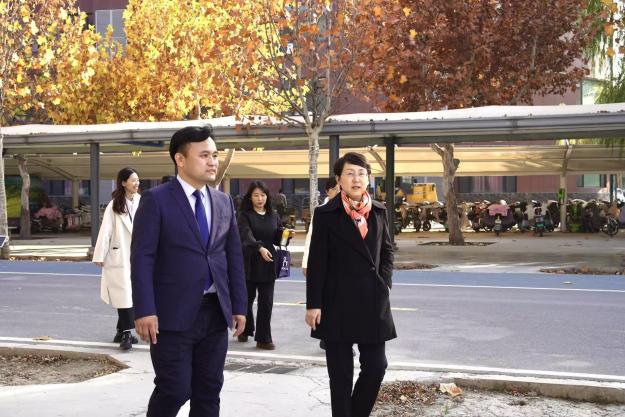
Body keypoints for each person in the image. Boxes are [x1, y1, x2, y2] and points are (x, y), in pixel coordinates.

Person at [131, 126, 247, 417]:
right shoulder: (156, 200)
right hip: (171, 315)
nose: (213, 162)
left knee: (209, 391)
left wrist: (239, 306)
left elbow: (233, 256)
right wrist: (145, 310)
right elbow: (142, 258)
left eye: (215, 155)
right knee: (175, 388)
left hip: (215, 312)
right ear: (180, 160)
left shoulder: (223, 201)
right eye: (204, 155)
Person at [305, 152, 395, 417]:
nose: (356, 179)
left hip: (372, 301)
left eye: (361, 173)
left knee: (377, 367)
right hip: (336, 303)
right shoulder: (325, 214)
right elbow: (317, 262)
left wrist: (385, 282)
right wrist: (313, 304)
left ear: (368, 178)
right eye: (350, 173)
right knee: (341, 376)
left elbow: (387, 250)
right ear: (339, 179)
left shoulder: (379, 211)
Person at [237, 180, 292, 350]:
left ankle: (263, 338)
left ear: (267, 196)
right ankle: (244, 329)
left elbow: (277, 239)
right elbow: (245, 235)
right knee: (247, 299)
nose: (260, 199)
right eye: (256, 195)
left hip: (268, 262)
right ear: (250, 197)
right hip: (249, 261)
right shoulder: (244, 215)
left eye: (263, 195)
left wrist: (286, 235)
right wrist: (259, 248)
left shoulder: (273, 215)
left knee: (266, 302)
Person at [92, 167, 141, 350]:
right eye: (133, 180)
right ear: (123, 183)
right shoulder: (114, 205)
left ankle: (121, 331)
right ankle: (127, 334)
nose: (136, 183)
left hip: (138, 256)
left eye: (138, 180)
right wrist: (100, 254)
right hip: (119, 255)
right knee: (124, 293)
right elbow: (105, 231)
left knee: (131, 294)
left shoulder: (142, 201)